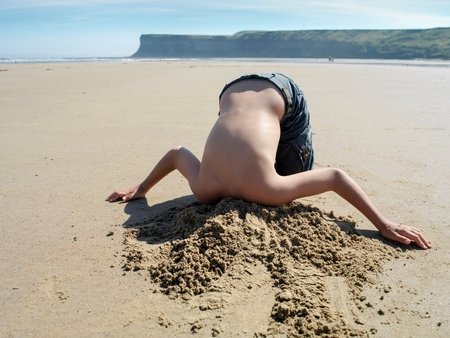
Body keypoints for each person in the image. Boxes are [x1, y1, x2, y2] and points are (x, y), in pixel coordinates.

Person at [106, 73, 431, 250]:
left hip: (277, 95)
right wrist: (141, 188)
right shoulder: (206, 188)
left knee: (297, 168)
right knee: (286, 158)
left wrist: (383, 224)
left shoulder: (268, 191)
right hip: (232, 92)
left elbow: (333, 177)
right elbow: (178, 152)